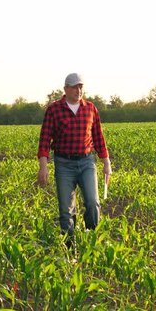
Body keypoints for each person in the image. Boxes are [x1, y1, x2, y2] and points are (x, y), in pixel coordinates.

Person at [37, 73, 112, 248]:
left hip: (87, 162)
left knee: (93, 203)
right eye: (74, 87)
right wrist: (43, 167)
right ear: (65, 89)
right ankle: (69, 248)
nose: (78, 90)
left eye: (81, 87)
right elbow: (44, 140)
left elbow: (98, 137)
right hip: (64, 164)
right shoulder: (54, 110)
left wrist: (106, 163)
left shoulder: (90, 108)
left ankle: (91, 242)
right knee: (66, 210)